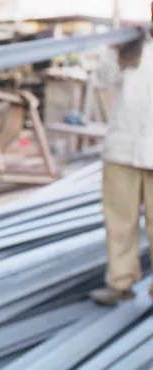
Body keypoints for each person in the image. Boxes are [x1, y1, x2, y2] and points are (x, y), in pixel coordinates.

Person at [89, 16, 153, 306]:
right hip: (122, 148)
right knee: (119, 220)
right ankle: (120, 282)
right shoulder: (130, 46)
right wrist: (113, 46)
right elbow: (102, 81)